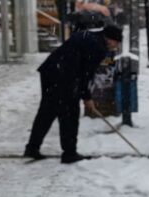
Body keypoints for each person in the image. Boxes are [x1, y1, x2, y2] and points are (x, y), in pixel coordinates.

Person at [24, 24, 123, 163]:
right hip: (63, 76)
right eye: (116, 42)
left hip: (50, 71)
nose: (116, 46)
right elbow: (85, 74)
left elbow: (80, 68)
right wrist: (87, 97)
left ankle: (32, 147)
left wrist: (83, 93)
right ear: (110, 39)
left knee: (48, 111)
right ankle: (69, 153)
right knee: (69, 113)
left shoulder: (89, 35)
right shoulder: (98, 48)